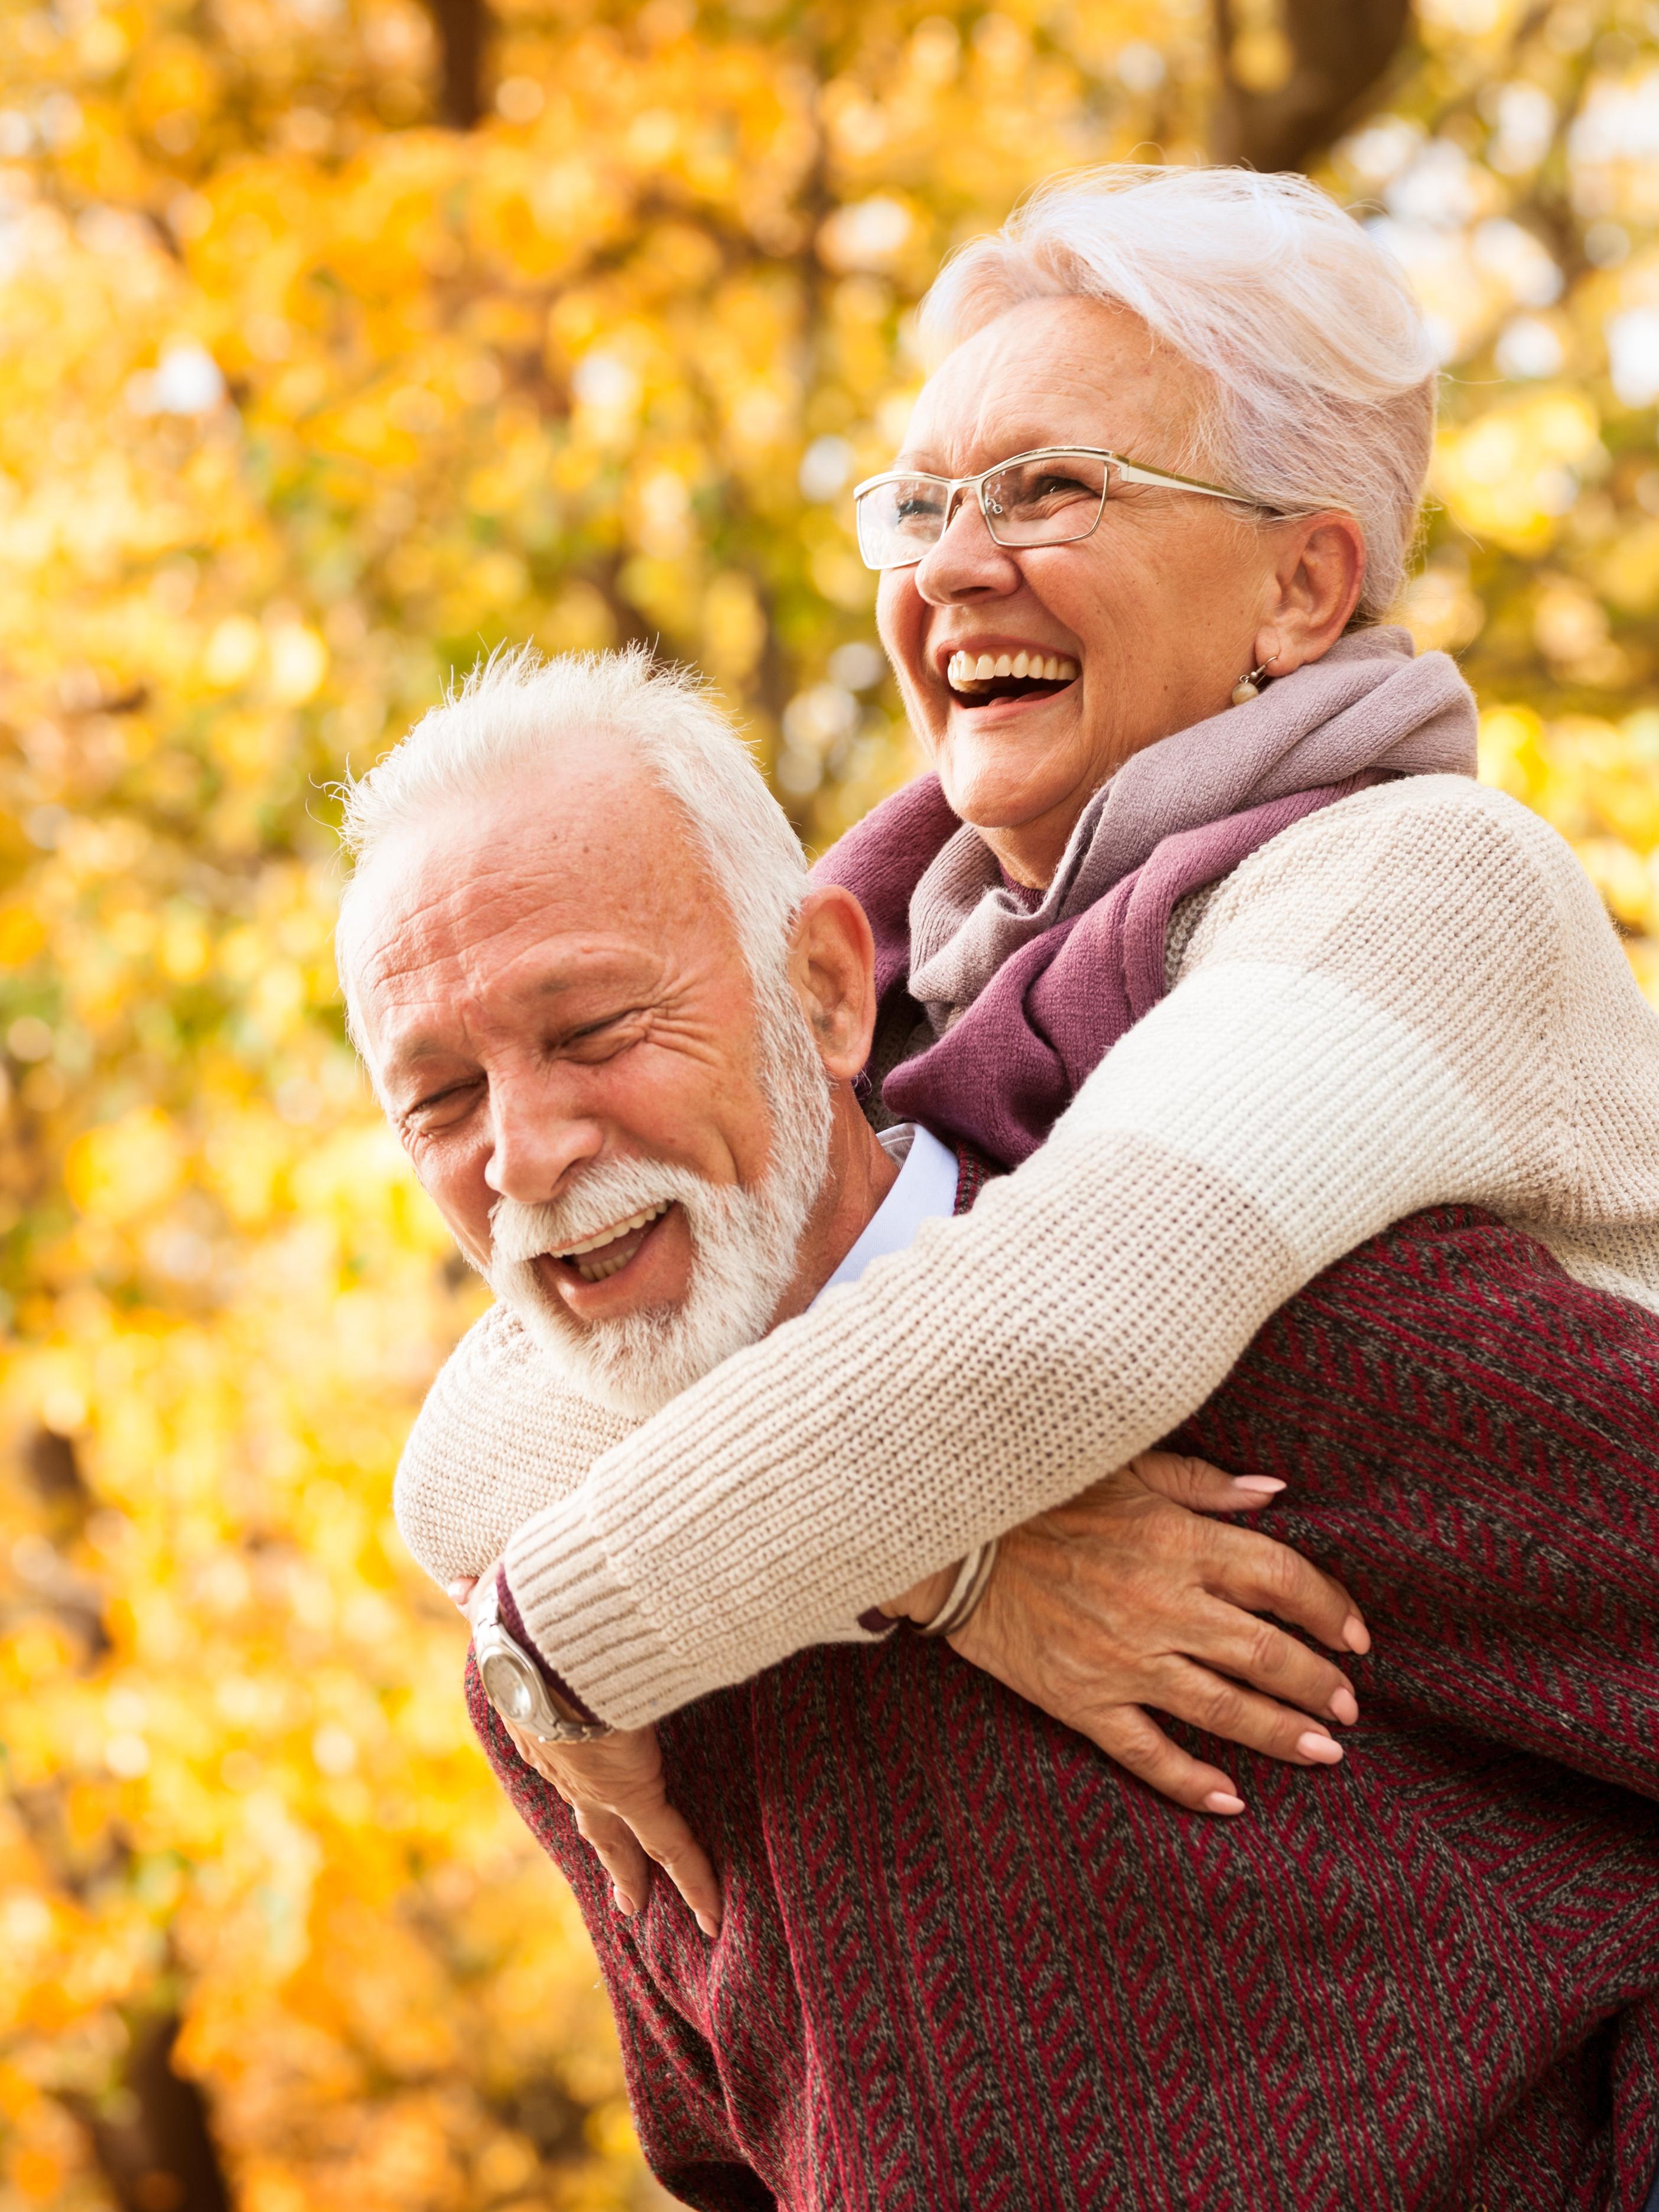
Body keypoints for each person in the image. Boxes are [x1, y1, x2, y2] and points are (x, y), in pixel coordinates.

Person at [385, 164, 1659, 1780]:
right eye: (919, 508)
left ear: (1303, 584)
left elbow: (1065, 1326)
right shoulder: (903, 957)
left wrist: (554, 1633)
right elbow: (475, 1445)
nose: (949, 569)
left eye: (1053, 489)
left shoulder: (1420, 887)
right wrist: (961, 1565)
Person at [339, 653, 1659, 2210]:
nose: (527, 1157)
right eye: (437, 1100)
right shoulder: (558, 1654)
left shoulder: (1306, 1338)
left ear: (828, 991)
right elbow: (734, 2146)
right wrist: (952, 1562)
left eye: (596, 1029)